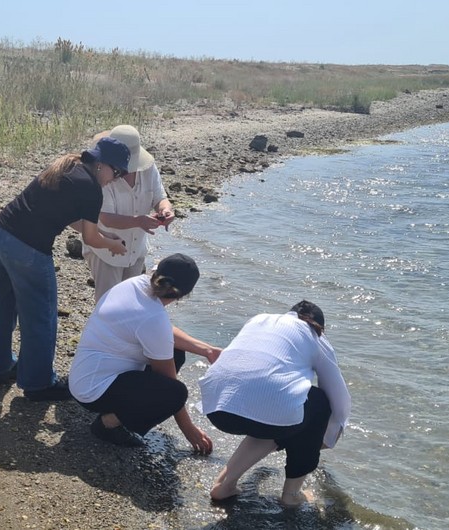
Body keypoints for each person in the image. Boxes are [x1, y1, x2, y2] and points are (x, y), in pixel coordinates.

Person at [0, 137, 130, 401]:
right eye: (116, 172)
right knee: (41, 317)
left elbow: (71, 218)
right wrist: (113, 246)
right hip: (29, 250)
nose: (115, 179)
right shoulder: (92, 189)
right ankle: (38, 383)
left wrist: (105, 234)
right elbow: (91, 239)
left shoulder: (67, 166)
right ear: (102, 164)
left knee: (0, 308)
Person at [198, 301, 351, 506]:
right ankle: (292, 495)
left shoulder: (260, 319)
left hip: (216, 408)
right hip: (264, 413)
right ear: (319, 327)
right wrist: (327, 439)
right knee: (318, 403)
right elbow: (339, 402)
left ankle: (224, 485)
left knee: (275, 407)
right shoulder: (316, 336)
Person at [69, 253, 221, 451]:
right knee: (175, 393)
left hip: (85, 377)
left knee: (176, 353)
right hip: (93, 392)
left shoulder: (135, 284)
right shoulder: (153, 318)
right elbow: (170, 385)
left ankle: (121, 410)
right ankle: (107, 424)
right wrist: (189, 429)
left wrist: (206, 350)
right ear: (182, 295)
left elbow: (159, 332)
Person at [82, 125, 175, 303]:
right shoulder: (103, 175)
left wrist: (165, 209)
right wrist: (139, 221)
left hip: (136, 250)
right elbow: (105, 218)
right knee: (107, 305)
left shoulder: (148, 169)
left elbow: (160, 197)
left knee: (131, 303)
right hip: (106, 251)